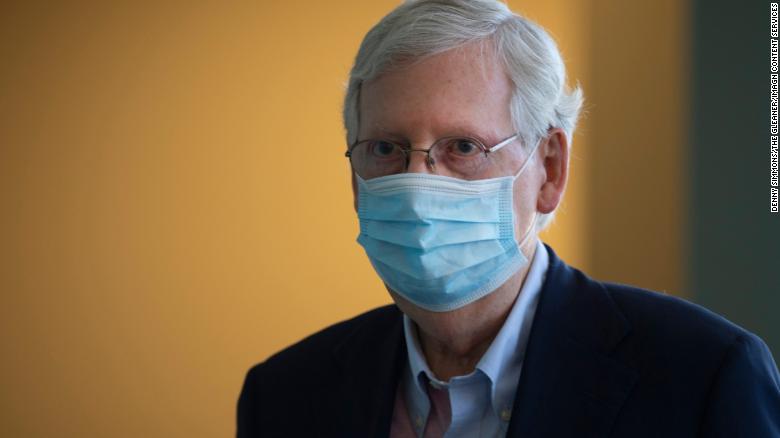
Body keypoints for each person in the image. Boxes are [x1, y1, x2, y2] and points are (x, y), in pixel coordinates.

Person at [237, 1, 780, 436]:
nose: (420, 185)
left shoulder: (704, 376)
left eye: (464, 146)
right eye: (385, 148)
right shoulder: (284, 395)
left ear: (548, 170)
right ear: (355, 180)